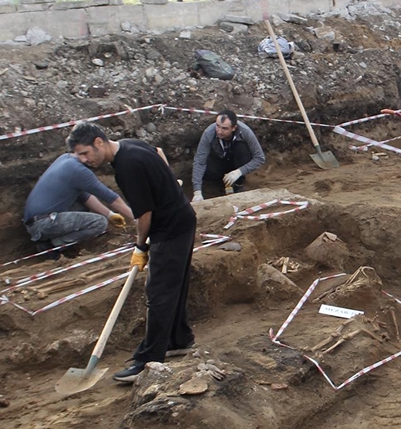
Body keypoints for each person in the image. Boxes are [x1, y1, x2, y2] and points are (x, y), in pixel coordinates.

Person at [68, 121, 197, 383]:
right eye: (78, 156)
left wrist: (140, 245)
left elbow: (144, 215)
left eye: (84, 153)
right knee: (175, 286)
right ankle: (178, 340)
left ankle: (148, 360)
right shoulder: (130, 145)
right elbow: (159, 152)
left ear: (98, 143)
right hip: (182, 218)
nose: (83, 160)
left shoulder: (127, 167)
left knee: (159, 293)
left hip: (170, 229)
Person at [23, 153, 134, 250]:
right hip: (44, 223)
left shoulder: (65, 159)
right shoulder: (78, 170)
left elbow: (84, 196)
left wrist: (110, 215)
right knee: (100, 223)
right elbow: (108, 196)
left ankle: (51, 240)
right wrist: (136, 218)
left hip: (36, 221)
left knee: (82, 206)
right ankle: (53, 245)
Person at [191, 110, 266, 202]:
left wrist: (239, 172)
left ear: (234, 128)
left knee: (241, 149)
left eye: (224, 128)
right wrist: (197, 191)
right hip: (219, 161)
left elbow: (259, 158)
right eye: (217, 126)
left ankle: (238, 184)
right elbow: (199, 161)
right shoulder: (209, 133)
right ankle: (219, 183)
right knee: (208, 171)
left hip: (236, 162)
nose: (219, 131)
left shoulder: (245, 132)